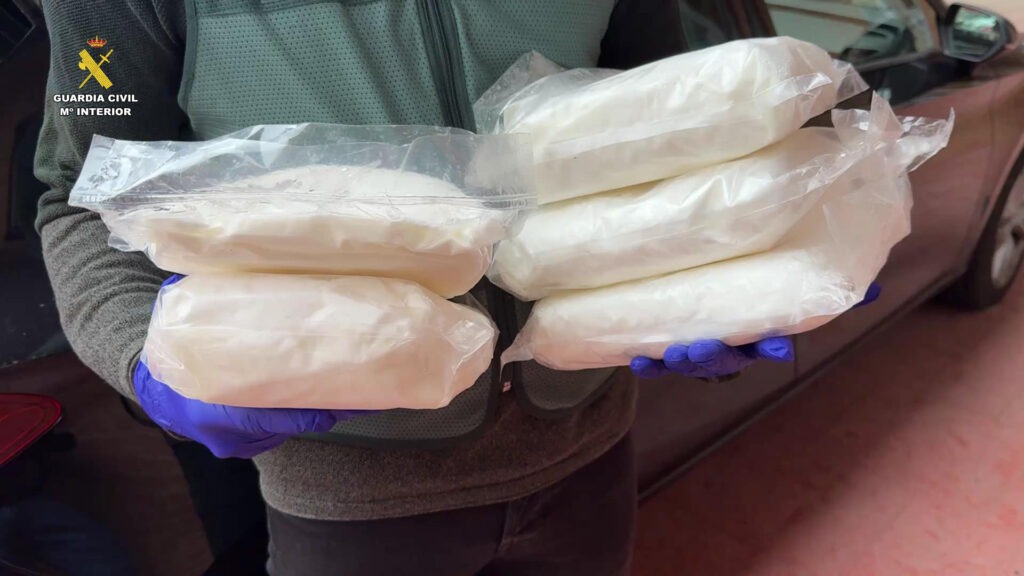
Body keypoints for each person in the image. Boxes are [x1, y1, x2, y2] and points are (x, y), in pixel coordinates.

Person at [34, 2, 876, 574]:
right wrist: (147, 362)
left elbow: (682, 127)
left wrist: (735, 283)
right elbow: (82, 197)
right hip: (347, 498)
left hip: (591, 449)